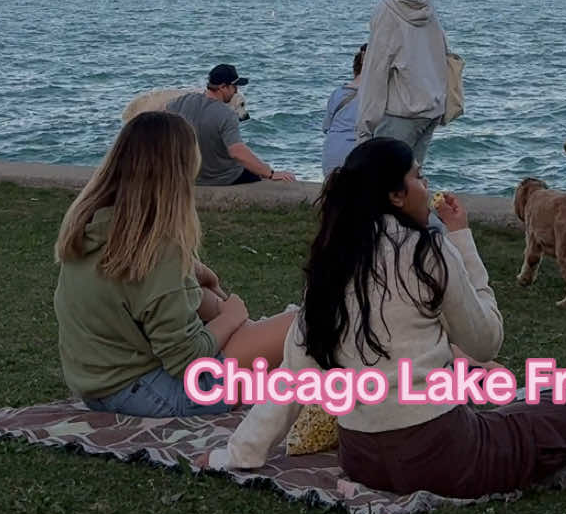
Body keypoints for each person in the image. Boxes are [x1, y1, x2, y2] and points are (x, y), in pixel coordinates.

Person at [226, 138, 566, 495]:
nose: (425, 185)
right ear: (395, 195)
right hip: (441, 456)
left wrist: (242, 452)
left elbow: (294, 377)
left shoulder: (331, 260)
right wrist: (461, 241)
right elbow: (485, 340)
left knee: (508, 404)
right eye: (418, 177)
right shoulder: (425, 250)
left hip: (362, 458)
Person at [53, 110, 297, 415]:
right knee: (302, 324)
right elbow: (188, 360)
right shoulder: (157, 250)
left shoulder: (94, 226)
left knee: (214, 304)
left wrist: (197, 279)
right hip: (153, 392)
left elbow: (145, 298)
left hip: (101, 387)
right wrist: (233, 316)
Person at [354, 0, 448, 170]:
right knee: (411, 184)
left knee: (383, 184)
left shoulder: (387, 11)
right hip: (431, 107)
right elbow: (442, 53)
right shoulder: (426, 3)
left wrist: (364, 128)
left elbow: (376, 73)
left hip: (402, 113)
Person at [167, 62, 296, 186]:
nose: (236, 91)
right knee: (257, 173)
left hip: (189, 175)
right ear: (223, 87)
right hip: (222, 178)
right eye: (234, 87)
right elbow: (237, 152)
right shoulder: (226, 114)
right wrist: (270, 173)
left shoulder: (178, 103)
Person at [321, 44, 365, 177]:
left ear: (354, 70)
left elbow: (326, 127)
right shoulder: (376, 97)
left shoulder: (337, 93)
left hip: (331, 156)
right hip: (357, 157)